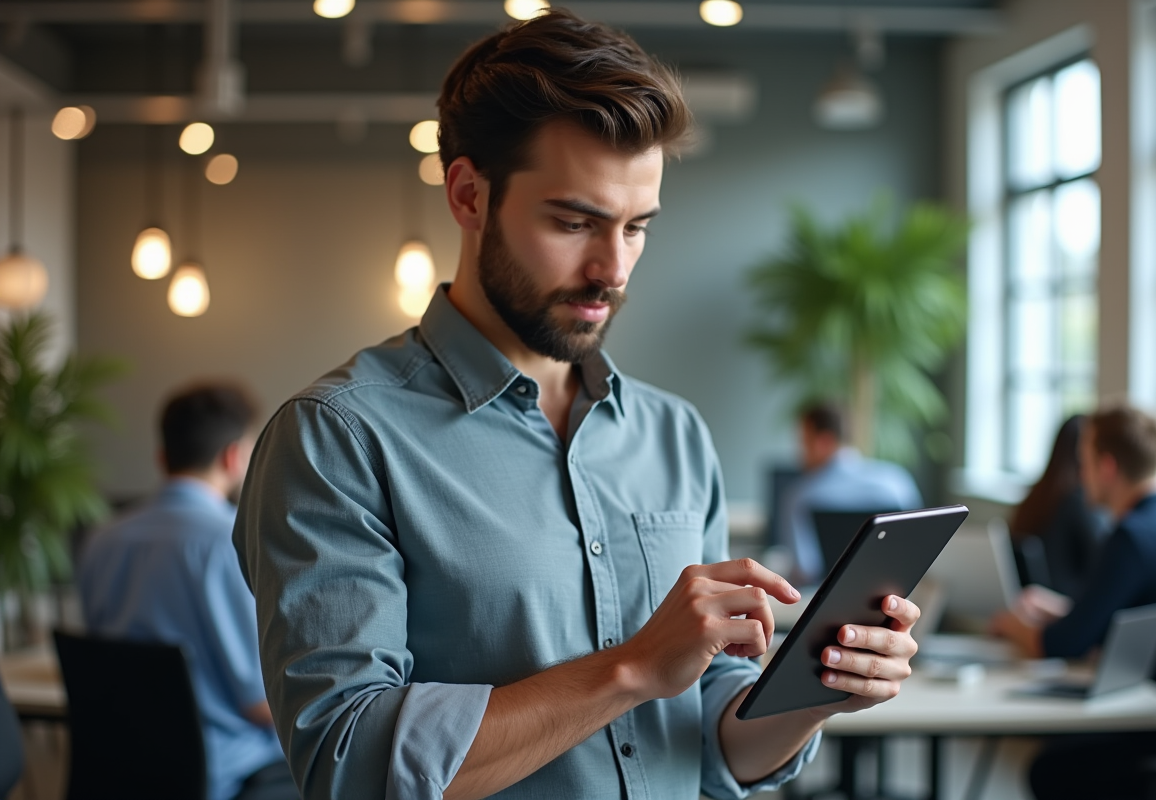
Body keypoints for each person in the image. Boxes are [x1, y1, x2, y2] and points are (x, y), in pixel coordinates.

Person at [233, 12, 923, 800]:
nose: (612, 269)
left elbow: (704, 742)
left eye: (636, 228)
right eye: (573, 222)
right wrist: (629, 670)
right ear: (468, 195)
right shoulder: (336, 438)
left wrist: (812, 693)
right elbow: (347, 764)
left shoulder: (674, 436)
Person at [78, 383, 298, 800]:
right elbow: (258, 703)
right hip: (221, 773)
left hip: (118, 762)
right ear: (233, 457)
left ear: (163, 456)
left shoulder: (101, 538)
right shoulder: (230, 542)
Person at [992, 403, 1156, 800]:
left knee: (1050, 770)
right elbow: (1115, 618)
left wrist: (1009, 623)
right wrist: (1061, 610)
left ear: (1107, 467)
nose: (1081, 477)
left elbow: (1060, 645)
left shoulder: (1133, 537)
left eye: (1084, 464)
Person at [782, 401, 923, 584]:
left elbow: (805, 570)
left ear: (823, 442)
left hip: (826, 601)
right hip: (893, 596)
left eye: (804, 442)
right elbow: (916, 550)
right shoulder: (897, 481)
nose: (799, 453)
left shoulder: (800, 496)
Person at [1007, 414, 1107, 599]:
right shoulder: (1080, 503)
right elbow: (1105, 567)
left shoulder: (1036, 496)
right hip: (1062, 607)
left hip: (1028, 603)